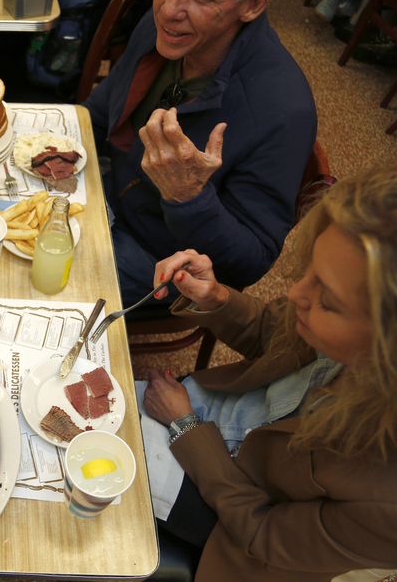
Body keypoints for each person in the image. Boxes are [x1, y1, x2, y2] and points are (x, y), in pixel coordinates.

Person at [138, 166, 397, 581]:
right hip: (218, 421)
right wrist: (215, 296)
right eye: (308, 271)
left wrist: (185, 425)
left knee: (76, 454)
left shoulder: (387, 504)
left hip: (232, 514)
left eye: (327, 301)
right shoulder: (331, 323)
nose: (295, 293)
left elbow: (264, 533)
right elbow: (277, 333)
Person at [82, 0, 317, 304]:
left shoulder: (283, 111)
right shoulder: (164, 29)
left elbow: (247, 264)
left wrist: (188, 197)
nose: (168, 10)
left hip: (156, 257)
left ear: (254, 5)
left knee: (23, 280)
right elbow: (99, 114)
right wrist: (59, 146)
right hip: (108, 193)